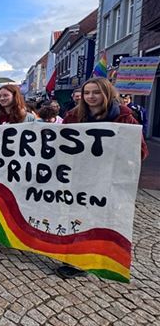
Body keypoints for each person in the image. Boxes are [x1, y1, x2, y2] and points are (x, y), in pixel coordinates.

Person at [56, 77, 148, 279]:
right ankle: (73, 258)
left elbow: (140, 151)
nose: (91, 97)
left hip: (107, 179)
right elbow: (60, 143)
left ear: (106, 93)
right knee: (76, 216)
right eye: (87, 92)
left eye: (96, 92)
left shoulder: (124, 118)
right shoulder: (73, 116)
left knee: (99, 218)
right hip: (79, 178)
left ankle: (96, 257)